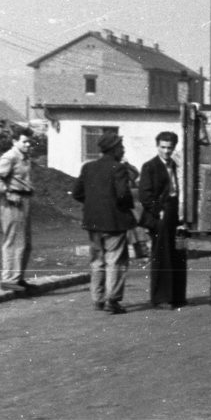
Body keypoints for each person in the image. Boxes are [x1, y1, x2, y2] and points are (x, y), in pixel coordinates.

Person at [72, 133, 136, 314]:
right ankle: (112, 300)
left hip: (93, 222)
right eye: (121, 146)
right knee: (115, 260)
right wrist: (124, 206)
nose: (123, 150)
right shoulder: (118, 168)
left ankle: (97, 299)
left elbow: (77, 193)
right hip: (114, 221)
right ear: (114, 149)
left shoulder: (88, 167)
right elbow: (123, 194)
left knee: (97, 261)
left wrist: (94, 203)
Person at [137, 130, 187, 308]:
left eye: (170, 148)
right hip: (160, 214)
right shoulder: (149, 166)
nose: (166, 151)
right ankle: (161, 299)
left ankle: (177, 296)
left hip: (173, 212)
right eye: (163, 147)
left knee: (177, 254)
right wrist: (158, 211)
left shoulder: (173, 164)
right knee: (162, 256)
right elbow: (144, 194)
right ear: (157, 146)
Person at [0, 125, 36, 292]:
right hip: (13, 201)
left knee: (24, 243)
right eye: (25, 142)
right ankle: (9, 279)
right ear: (15, 141)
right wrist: (6, 191)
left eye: (30, 142)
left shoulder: (25, 158)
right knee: (13, 241)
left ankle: (18, 278)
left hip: (23, 199)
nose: (28, 145)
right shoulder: (10, 156)